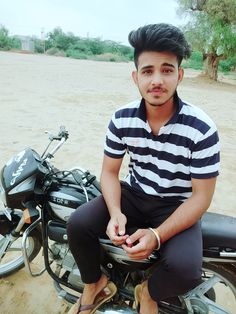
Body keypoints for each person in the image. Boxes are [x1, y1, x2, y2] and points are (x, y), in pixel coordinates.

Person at [67, 23, 220, 314]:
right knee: (78, 224)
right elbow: (110, 172)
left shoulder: (202, 128)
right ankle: (95, 283)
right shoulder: (122, 118)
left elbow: (201, 197)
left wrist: (158, 235)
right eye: (148, 71)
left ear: (180, 75)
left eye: (167, 69)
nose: (157, 80)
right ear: (136, 77)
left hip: (176, 204)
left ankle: (147, 293)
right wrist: (115, 213)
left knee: (186, 271)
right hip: (133, 194)